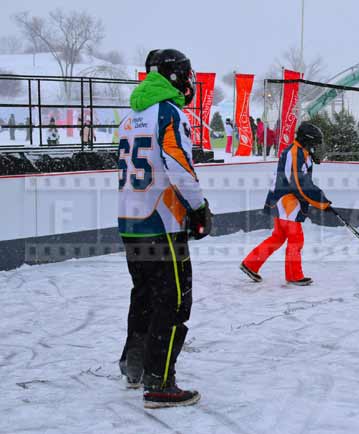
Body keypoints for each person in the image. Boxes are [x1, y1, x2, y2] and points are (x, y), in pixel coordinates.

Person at [117, 48, 213, 409]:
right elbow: (176, 162)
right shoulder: (169, 112)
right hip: (161, 223)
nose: (190, 82)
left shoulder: (132, 116)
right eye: (187, 74)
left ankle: (135, 364)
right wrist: (199, 207)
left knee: (143, 295)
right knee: (173, 301)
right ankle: (160, 381)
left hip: (130, 221)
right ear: (174, 77)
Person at [240, 122, 331, 286]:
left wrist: (310, 157)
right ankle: (294, 275)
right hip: (286, 201)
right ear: (306, 140)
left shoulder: (301, 152)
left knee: (278, 237)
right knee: (296, 239)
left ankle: (250, 263)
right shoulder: (295, 153)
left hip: (282, 201)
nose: (316, 147)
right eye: (314, 143)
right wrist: (321, 201)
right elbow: (299, 183)